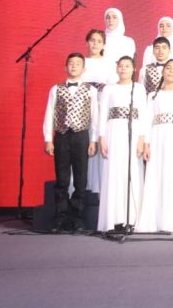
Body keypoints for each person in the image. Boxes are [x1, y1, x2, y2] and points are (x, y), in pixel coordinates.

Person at [42, 53, 98, 232]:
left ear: (84, 69)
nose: (74, 66)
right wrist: (48, 139)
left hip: (81, 136)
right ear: (65, 67)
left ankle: (77, 218)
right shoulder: (55, 89)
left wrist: (93, 140)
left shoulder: (91, 90)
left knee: (81, 178)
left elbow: (95, 117)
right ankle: (60, 217)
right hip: (62, 136)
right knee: (62, 178)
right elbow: (49, 114)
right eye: (71, 63)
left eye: (78, 64)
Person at [137, 60, 173, 232]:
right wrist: (146, 144)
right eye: (168, 68)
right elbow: (147, 121)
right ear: (163, 72)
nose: (170, 71)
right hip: (157, 139)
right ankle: (155, 220)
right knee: (157, 176)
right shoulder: (152, 96)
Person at [97, 56, 147, 232]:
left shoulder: (138, 88)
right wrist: (101, 137)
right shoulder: (108, 89)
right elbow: (102, 114)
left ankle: (131, 219)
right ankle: (114, 219)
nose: (123, 69)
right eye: (120, 66)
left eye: (127, 66)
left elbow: (143, 114)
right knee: (114, 173)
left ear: (134, 69)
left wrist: (142, 139)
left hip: (133, 132)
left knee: (132, 172)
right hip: (113, 132)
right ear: (116, 69)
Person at [81, 29, 115, 194]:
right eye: (92, 40)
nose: (95, 44)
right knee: (84, 142)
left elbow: (113, 85)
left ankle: (100, 187)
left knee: (100, 140)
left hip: (102, 105)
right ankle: (82, 186)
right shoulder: (81, 62)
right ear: (87, 42)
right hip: (83, 106)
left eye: (99, 41)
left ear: (104, 45)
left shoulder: (109, 63)